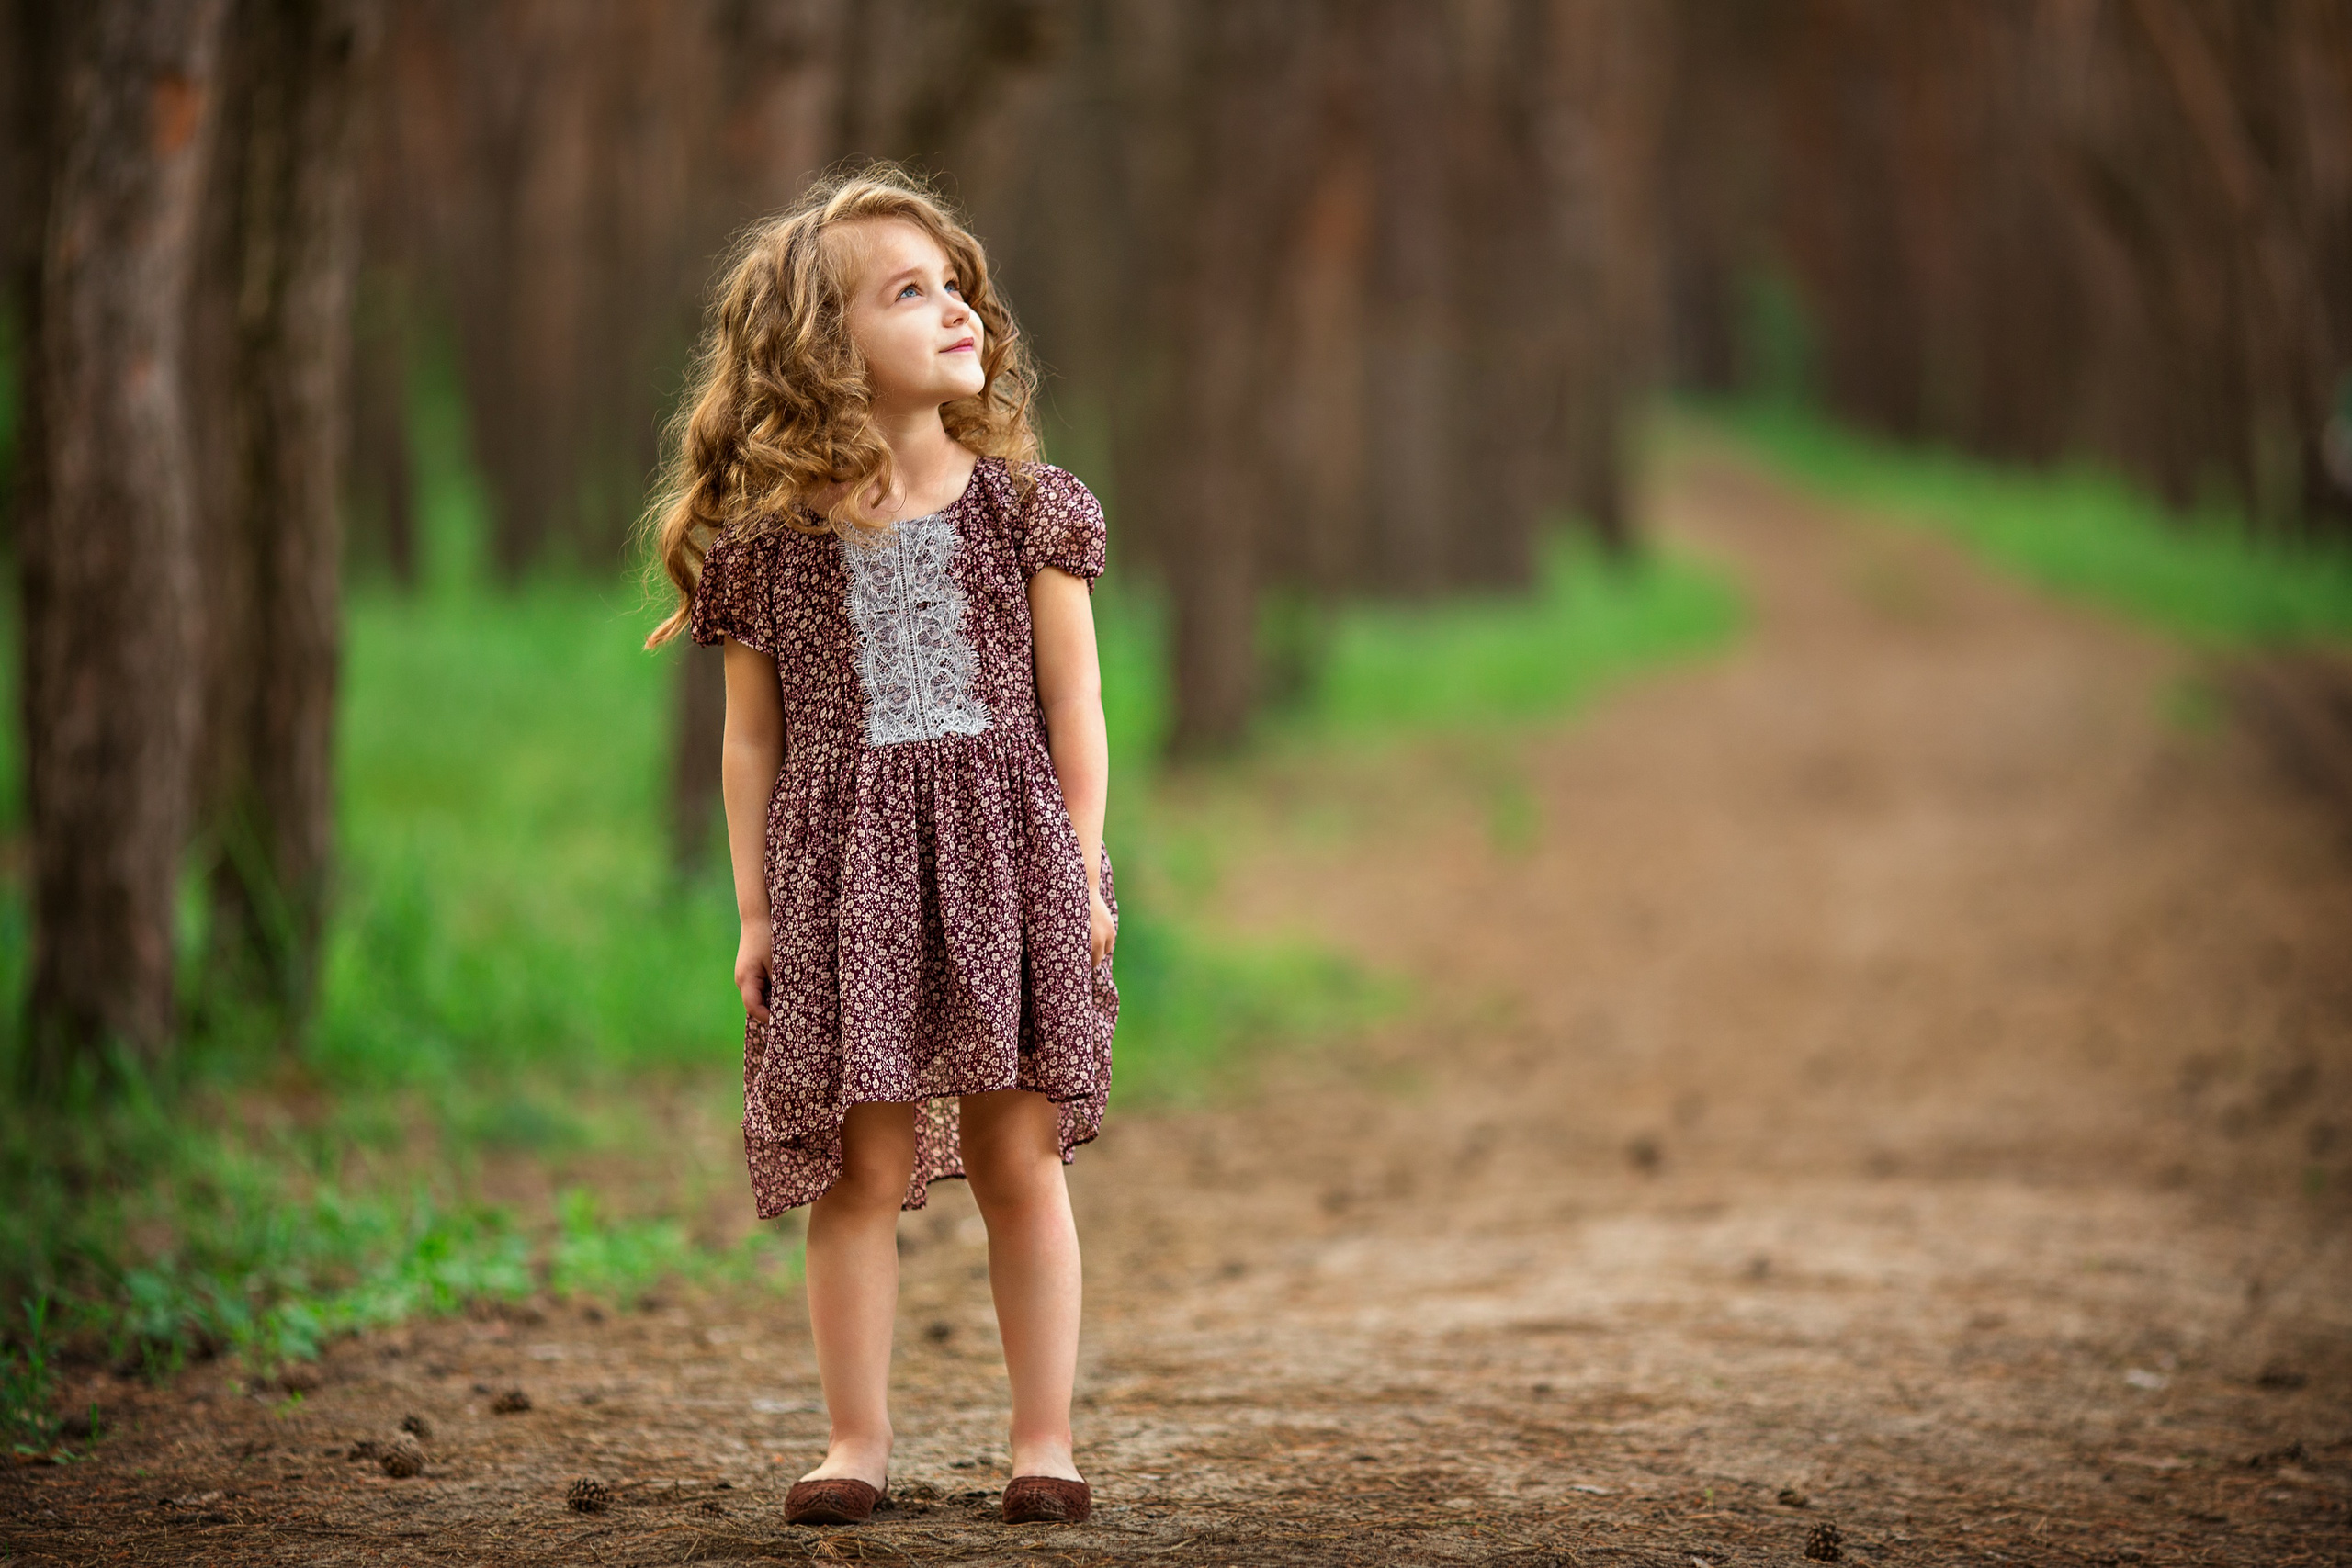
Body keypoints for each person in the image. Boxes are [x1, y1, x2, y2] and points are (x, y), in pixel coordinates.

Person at [643, 164, 1116, 1529]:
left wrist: (1085, 871)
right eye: (910, 293)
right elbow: (750, 745)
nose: (957, 308)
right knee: (859, 1171)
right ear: (823, 346)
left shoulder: (1029, 508)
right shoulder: (770, 547)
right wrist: (756, 915)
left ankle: (1044, 1440)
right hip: (843, 881)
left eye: (955, 283)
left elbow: (1076, 703)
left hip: (1007, 863)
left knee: (1019, 1158)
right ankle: (855, 1441)